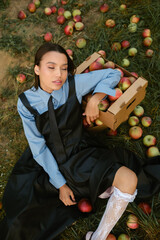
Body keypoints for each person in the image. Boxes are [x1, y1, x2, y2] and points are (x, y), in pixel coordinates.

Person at [1, 42, 160, 240]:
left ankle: (98, 236)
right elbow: (38, 146)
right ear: (37, 69)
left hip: (81, 153)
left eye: (64, 68)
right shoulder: (26, 103)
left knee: (130, 178)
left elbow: (113, 74)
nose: (59, 74)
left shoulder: (72, 85)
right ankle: (100, 188)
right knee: (23, 222)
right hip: (50, 160)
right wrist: (60, 184)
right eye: (51, 67)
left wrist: (95, 99)